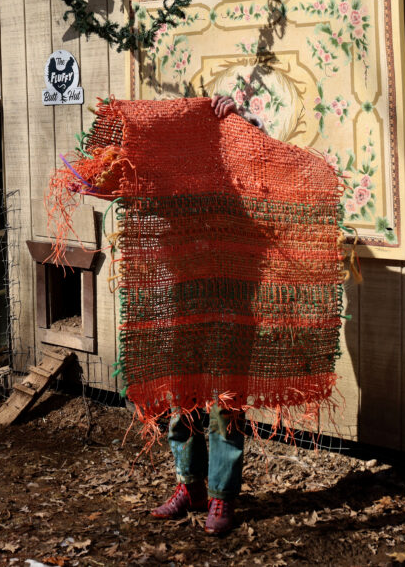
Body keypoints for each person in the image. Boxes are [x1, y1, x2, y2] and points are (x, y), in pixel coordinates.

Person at [149, 93, 260, 536]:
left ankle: (221, 496)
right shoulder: (178, 176)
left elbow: (266, 160)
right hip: (186, 297)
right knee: (184, 400)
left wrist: (242, 119)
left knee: (225, 404)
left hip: (233, 295)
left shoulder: (243, 168)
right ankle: (189, 487)